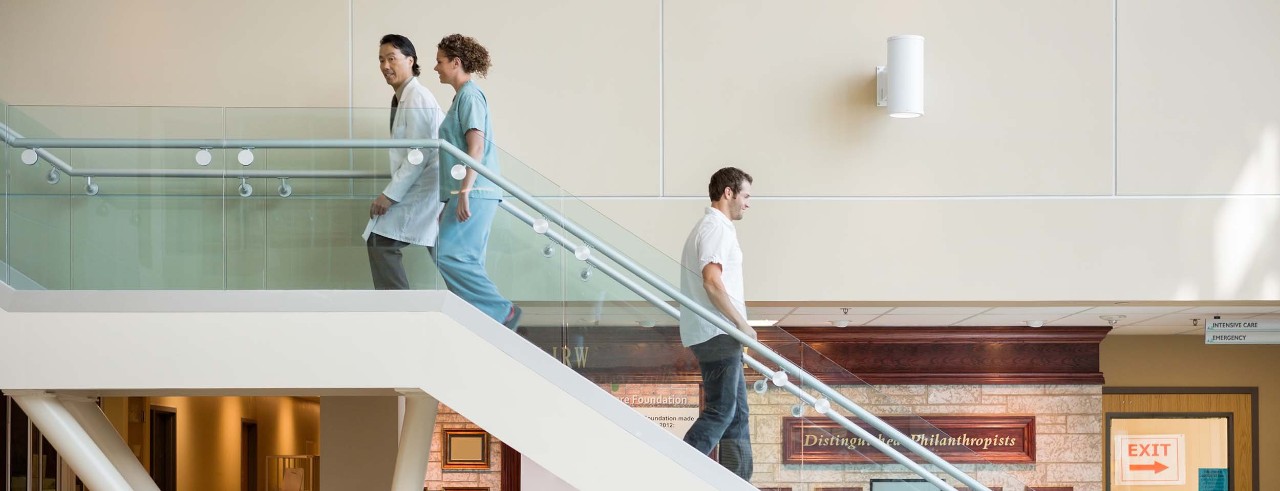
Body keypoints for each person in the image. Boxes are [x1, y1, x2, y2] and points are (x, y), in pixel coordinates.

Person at [432, 33, 521, 329]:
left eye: (440, 62)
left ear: (456, 63)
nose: (436, 68)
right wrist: (452, 197)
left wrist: (464, 191)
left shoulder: (470, 96)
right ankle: (481, 319)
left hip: (476, 190)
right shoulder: (463, 96)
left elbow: (476, 147)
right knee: (467, 258)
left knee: (449, 255)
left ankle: (501, 311)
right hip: (471, 190)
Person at [679, 167, 755, 481]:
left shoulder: (716, 228)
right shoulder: (715, 228)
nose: (748, 204)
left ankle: (738, 481)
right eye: (746, 196)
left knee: (736, 413)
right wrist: (742, 326)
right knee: (723, 409)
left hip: (719, 333)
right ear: (728, 193)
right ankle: (678, 469)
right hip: (718, 332)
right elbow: (712, 281)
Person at [363, 34, 445, 290]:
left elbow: (418, 153)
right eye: (381, 60)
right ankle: (491, 310)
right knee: (444, 253)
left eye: (391, 58)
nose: (385, 66)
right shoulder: (403, 97)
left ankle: (398, 308)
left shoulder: (417, 97)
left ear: (410, 61)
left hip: (426, 185)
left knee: (381, 241)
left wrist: (390, 195)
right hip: (423, 186)